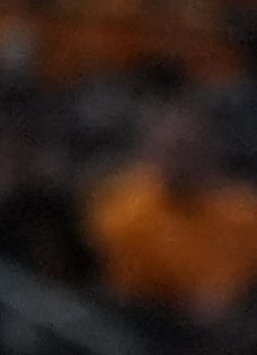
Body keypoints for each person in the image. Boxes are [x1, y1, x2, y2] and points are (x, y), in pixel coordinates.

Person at [81, 96, 257, 331]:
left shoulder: (243, 210)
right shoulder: (122, 214)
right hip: (154, 328)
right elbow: (127, 288)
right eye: (173, 149)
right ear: (149, 152)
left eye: (191, 148)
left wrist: (225, 296)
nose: (182, 159)